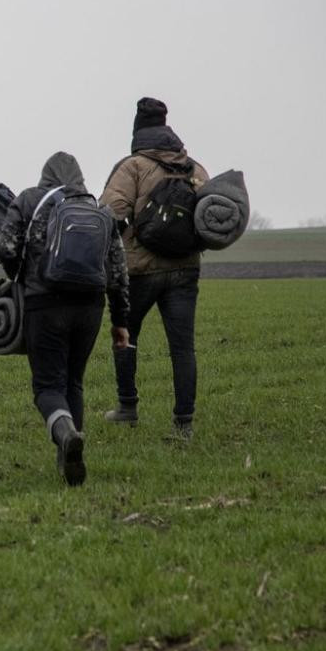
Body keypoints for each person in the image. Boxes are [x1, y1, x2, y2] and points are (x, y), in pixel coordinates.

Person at [0, 152, 130, 484]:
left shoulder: (29, 200)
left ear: (46, 176)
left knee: (46, 386)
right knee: (73, 382)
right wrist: (120, 320)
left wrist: (21, 278)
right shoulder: (101, 211)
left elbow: (5, 248)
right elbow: (118, 271)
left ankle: (66, 435)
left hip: (45, 303)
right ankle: (67, 458)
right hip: (90, 308)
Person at [99, 98, 210, 439]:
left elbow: (109, 213)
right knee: (182, 347)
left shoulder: (132, 167)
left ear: (138, 131)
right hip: (185, 270)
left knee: (124, 335)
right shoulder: (194, 168)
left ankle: (128, 406)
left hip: (140, 270)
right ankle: (184, 423)